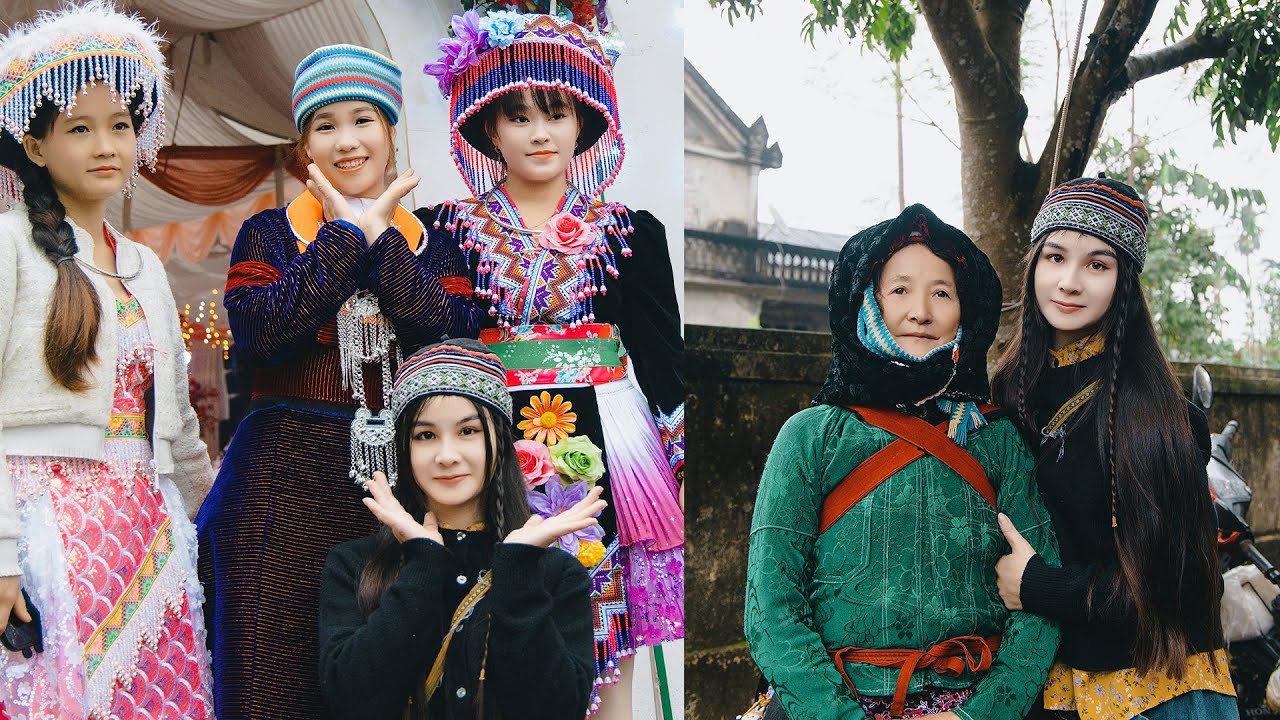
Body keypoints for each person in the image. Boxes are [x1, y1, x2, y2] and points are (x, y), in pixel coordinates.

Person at [195, 44, 480, 719]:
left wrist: (383, 241)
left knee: (379, 688)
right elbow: (263, 335)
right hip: (276, 493)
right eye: (325, 125)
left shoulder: (434, 244)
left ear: (390, 133)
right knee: (268, 688)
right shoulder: (267, 233)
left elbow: (450, 337)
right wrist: (343, 239)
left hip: (396, 494)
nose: (346, 141)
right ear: (303, 148)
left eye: (363, 121)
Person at [422, 10, 683, 716]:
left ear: (584, 122)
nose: (540, 132)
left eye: (557, 112)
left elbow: (664, 365)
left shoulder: (632, 233)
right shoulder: (443, 228)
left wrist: (675, 467)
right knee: (490, 631)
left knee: (606, 633)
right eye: (518, 114)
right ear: (487, 125)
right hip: (487, 439)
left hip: (607, 446)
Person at [744, 204, 1060, 720]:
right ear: (867, 301)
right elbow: (770, 609)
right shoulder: (811, 437)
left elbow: (1041, 597)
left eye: (941, 292)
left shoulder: (997, 440)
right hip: (834, 704)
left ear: (967, 312)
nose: (920, 311)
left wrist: (976, 716)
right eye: (899, 290)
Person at [0, 2, 215, 717]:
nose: (106, 145)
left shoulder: (146, 266)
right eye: (79, 127)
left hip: (145, 523)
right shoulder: (8, 247)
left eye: (120, 125)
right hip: (43, 524)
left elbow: (178, 424)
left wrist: (204, 522)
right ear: (33, 146)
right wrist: (1, 558)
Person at [991, 176, 1238, 720]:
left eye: (1097, 265)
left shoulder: (1156, 416)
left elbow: (1177, 588)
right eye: (1055, 257)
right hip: (1029, 684)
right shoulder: (1002, 394)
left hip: (1152, 696)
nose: (1070, 281)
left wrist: (1039, 586)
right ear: (1034, 264)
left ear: (1124, 280)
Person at [318, 338, 601, 719]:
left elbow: (559, 709)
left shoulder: (555, 574)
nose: (447, 455)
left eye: (468, 431)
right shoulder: (354, 565)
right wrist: (422, 566)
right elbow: (350, 700)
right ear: (404, 448)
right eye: (425, 435)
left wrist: (517, 572)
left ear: (499, 442)